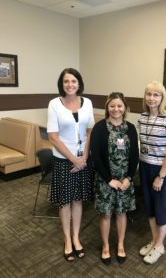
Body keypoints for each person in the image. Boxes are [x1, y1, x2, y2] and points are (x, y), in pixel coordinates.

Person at [47, 68, 95, 262]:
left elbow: (90, 131)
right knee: (65, 201)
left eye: (73, 81)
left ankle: (76, 237)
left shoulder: (88, 103)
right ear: (62, 84)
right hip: (63, 160)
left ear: (79, 83)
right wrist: (73, 159)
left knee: (78, 200)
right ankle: (67, 240)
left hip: (83, 160)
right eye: (66, 81)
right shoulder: (54, 104)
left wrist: (83, 159)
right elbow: (53, 136)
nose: (70, 85)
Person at [90, 92, 139, 265]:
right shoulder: (100, 128)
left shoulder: (131, 128)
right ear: (107, 107)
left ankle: (120, 245)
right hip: (106, 181)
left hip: (125, 181)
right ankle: (105, 246)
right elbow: (95, 156)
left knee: (121, 213)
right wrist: (109, 179)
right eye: (112, 106)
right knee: (106, 214)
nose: (116, 109)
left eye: (119, 106)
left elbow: (134, 155)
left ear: (125, 107)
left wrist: (129, 178)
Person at [138, 81, 166, 265]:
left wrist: (161, 176)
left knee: (162, 208)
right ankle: (155, 240)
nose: (152, 98)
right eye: (149, 94)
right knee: (150, 206)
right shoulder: (142, 117)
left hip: (164, 169)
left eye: (156, 95)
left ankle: (159, 246)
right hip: (145, 166)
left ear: (162, 98)